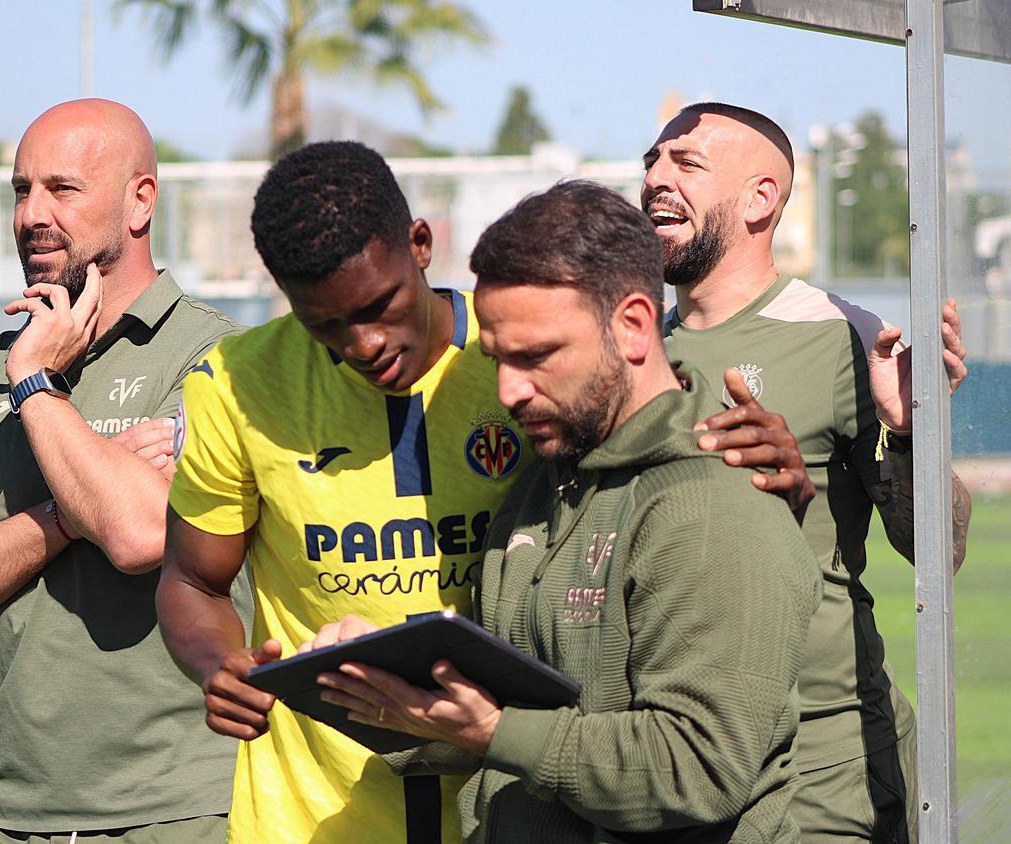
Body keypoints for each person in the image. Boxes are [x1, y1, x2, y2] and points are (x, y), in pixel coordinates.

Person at [315, 181, 823, 843]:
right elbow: (535, 717)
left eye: (536, 357)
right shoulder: (542, 486)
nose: (508, 390)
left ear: (635, 325)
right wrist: (396, 689)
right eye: (497, 359)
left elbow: (697, 768)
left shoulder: (715, 505)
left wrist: (494, 731)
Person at [0, 99, 243, 842]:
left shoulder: (219, 358)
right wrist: (64, 513)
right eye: (21, 190)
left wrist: (37, 391)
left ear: (140, 200)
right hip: (0, 814)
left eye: (62, 189)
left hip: (178, 812)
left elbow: (142, 530)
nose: (31, 214)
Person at [160, 141, 531, 843]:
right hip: (308, 821)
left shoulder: (520, 350)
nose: (362, 343)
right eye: (324, 324)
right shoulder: (236, 384)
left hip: (512, 809)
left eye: (379, 305)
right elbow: (191, 580)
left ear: (420, 244)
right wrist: (219, 665)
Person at [641, 102, 972, 843]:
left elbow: (936, 553)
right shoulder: (637, 345)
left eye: (685, 163)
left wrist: (911, 433)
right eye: (652, 164)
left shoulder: (840, 333)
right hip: (675, 756)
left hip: (821, 768)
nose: (657, 179)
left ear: (761, 199)